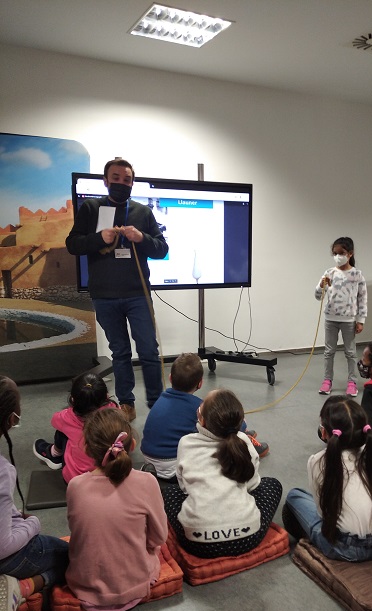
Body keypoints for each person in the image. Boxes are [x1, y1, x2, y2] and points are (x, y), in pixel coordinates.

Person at [66, 158, 169, 421]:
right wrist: (99, 238)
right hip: (105, 296)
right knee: (120, 353)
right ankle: (126, 404)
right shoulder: (91, 208)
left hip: (138, 294)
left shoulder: (143, 212)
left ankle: (157, 404)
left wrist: (141, 237)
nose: (122, 183)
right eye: (116, 178)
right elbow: (73, 244)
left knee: (149, 351)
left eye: (127, 179)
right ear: (105, 181)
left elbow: (162, 249)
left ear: (132, 182)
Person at [65, 408, 168, 611]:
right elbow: (159, 537)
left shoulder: (75, 486)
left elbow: (79, 532)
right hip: (136, 586)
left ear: (86, 449)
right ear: (132, 445)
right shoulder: (147, 481)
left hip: (85, 589)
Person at [162, 389, 282, 558]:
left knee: (168, 492)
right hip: (247, 537)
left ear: (202, 420)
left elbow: (184, 488)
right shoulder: (244, 440)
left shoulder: (186, 442)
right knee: (272, 484)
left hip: (197, 543)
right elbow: (252, 485)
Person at [283, 395, 372, 561]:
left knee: (294, 496)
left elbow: (323, 514)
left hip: (346, 549)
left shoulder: (317, 460)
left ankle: (315, 542)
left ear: (324, 432)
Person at [0, 376, 69, 611]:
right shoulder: (2, 471)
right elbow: (3, 545)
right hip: (7, 556)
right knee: (76, 556)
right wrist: (32, 524)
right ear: (11, 419)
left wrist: (13, 515)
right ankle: (20, 587)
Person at [141, 353, 269, 480]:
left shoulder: (160, 399)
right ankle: (247, 443)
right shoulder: (199, 406)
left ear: (170, 378)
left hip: (149, 460)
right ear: (200, 383)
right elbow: (232, 426)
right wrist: (242, 424)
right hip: (174, 467)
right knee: (220, 431)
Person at [33, 372, 118, 483]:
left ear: (73, 399)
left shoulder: (68, 417)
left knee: (62, 430)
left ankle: (54, 454)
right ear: (106, 395)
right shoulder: (116, 411)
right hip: (113, 477)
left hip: (76, 481)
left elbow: (54, 420)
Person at [315, 236, 367, 397]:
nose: (338, 256)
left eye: (341, 253)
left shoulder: (357, 275)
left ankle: (352, 382)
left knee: (350, 352)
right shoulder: (329, 273)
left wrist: (360, 320)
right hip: (330, 319)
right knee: (329, 352)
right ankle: (327, 380)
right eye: (335, 253)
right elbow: (318, 296)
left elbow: (362, 298)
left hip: (348, 320)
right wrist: (321, 285)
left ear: (350, 253)